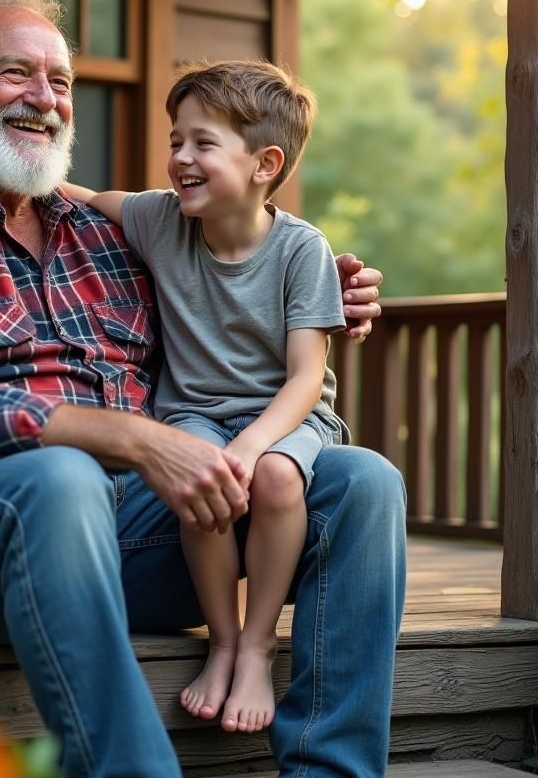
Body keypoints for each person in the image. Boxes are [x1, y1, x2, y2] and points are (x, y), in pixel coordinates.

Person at [0, 0, 406, 778]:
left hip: (115, 529)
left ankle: (331, 771)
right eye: (17, 73)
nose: (45, 99)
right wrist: (130, 438)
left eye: (61, 82)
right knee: (60, 479)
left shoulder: (104, 235)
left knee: (361, 485)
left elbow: (224, 305)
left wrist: (322, 291)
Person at [61, 60, 350, 736]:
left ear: (264, 163)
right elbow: (84, 195)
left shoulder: (301, 251)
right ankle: (221, 640)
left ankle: (257, 643)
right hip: (192, 414)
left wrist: (254, 444)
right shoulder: (160, 220)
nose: (180, 158)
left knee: (277, 479)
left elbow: (307, 376)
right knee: (197, 470)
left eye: (202, 144)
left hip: (285, 414)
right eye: (175, 141)